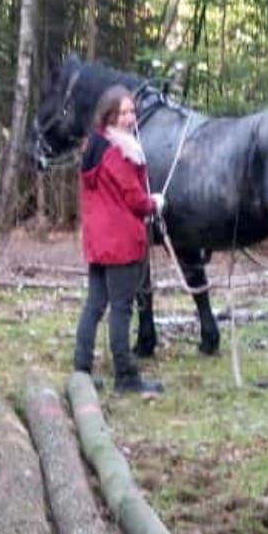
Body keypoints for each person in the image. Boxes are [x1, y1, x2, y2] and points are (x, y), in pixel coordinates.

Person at [72, 85, 166, 394]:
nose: (129, 118)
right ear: (109, 115)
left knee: (95, 305)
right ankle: (125, 376)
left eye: (131, 112)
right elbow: (135, 199)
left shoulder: (95, 147)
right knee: (121, 309)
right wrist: (155, 203)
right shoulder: (118, 153)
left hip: (99, 242)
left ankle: (81, 370)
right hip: (121, 242)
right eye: (122, 113)